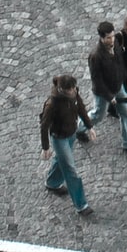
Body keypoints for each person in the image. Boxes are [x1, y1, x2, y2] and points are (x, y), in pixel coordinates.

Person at [39, 73, 95, 214]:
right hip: (59, 138)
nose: (72, 92)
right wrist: (46, 147)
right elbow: (44, 125)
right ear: (62, 89)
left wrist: (89, 126)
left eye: (73, 89)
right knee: (71, 170)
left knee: (61, 160)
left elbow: (81, 108)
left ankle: (52, 182)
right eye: (69, 90)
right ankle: (81, 205)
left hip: (71, 134)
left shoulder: (74, 93)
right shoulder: (52, 104)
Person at [87, 21, 127, 153]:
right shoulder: (95, 56)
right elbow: (97, 81)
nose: (112, 40)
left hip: (118, 86)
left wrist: (124, 76)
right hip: (103, 92)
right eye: (108, 38)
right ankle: (79, 127)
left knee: (126, 113)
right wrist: (109, 96)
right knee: (98, 115)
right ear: (101, 38)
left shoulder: (117, 44)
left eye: (113, 36)